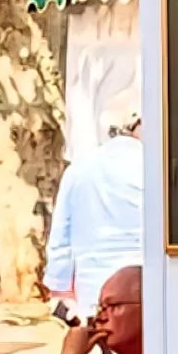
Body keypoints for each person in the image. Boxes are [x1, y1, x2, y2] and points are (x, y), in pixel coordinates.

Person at [43, 114, 143, 320]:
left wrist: (59, 289)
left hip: (93, 291)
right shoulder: (156, 166)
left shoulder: (79, 168)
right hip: (142, 288)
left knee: (105, 341)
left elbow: (61, 237)